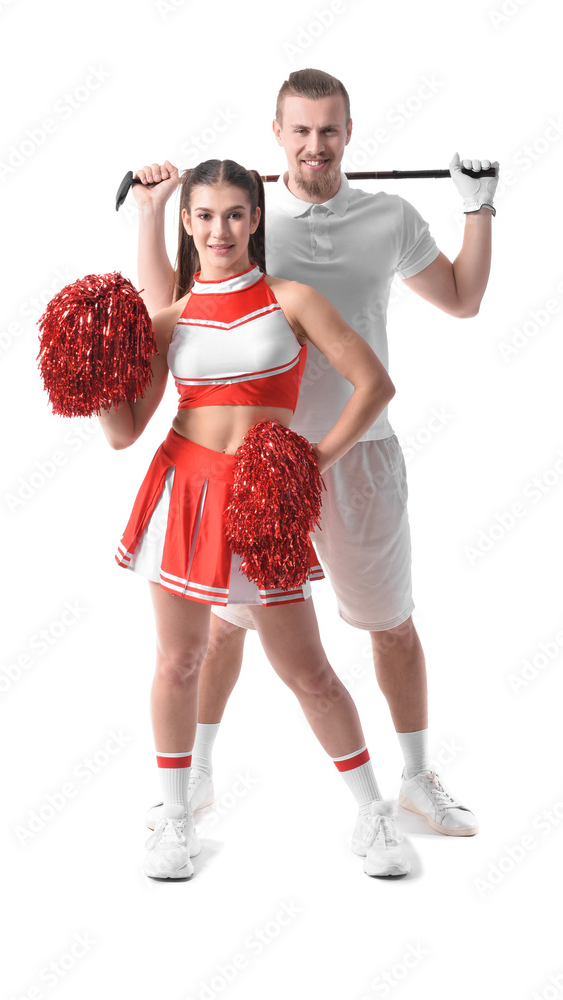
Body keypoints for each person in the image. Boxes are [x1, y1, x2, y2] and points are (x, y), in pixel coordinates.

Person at [135, 69, 498, 847]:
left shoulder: (388, 216)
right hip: (249, 479)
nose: (315, 144)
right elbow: (173, 308)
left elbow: (464, 300)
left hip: (356, 456)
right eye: (300, 130)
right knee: (223, 632)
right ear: (276, 136)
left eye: (329, 129)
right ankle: (192, 778)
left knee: (389, 625)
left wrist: (478, 210)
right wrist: (158, 206)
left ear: (350, 132)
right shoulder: (246, 227)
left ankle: (413, 781)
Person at [99, 158, 404, 881]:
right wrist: (98, 377)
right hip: (182, 493)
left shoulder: (291, 298)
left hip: (265, 502)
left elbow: (375, 385)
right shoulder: (169, 317)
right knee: (179, 661)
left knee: (310, 672)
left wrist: (310, 464)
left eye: (234, 214)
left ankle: (374, 813)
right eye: (203, 215)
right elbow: (122, 432)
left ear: (256, 219)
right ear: (186, 222)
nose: (219, 229)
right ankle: (176, 820)